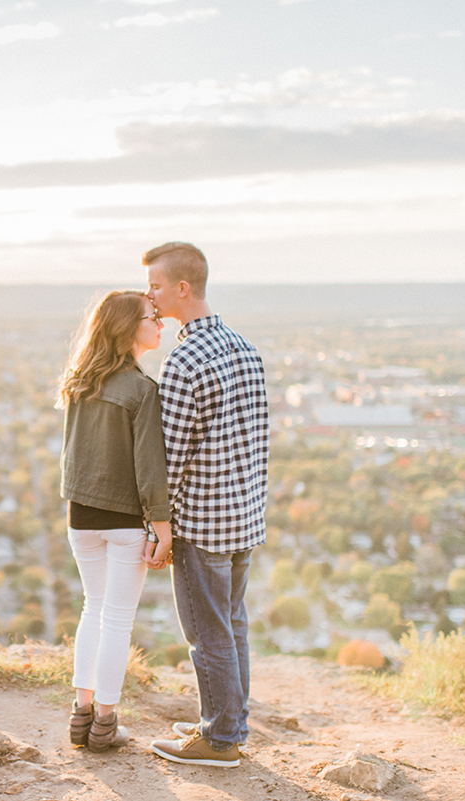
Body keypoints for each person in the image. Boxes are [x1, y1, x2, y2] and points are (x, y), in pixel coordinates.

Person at [144, 242, 269, 768]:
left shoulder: (184, 360)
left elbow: (171, 457)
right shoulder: (243, 347)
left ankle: (219, 741)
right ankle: (227, 723)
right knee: (232, 624)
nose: (147, 295)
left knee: (207, 633)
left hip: (202, 522)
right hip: (243, 517)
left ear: (181, 288)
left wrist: (160, 528)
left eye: (154, 285)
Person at [57, 290, 174, 753]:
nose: (161, 325)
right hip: (125, 518)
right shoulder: (141, 391)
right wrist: (161, 527)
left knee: (93, 608)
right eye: (153, 317)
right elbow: (150, 468)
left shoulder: (79, 383)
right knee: (118, 620)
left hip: (80, 517)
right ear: (129, 328)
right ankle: (105, 723)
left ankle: (79, 713)